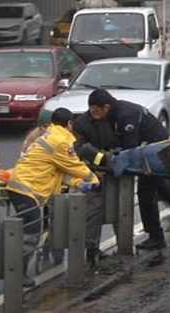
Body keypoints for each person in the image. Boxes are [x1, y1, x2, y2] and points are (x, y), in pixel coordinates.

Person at [87, 88, 170, 251]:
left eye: (96, 111)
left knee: (145, 193)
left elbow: (131, 146)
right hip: (149, 151)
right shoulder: (114, 114)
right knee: (159, 187)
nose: (94, 115)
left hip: (155, 152)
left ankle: (156, 236)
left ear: (105, 107)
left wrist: (117, 164)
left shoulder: (125, 115)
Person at [6, 108, 100, 287]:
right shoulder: (60, 141)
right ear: (69, 124)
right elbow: (74, 165)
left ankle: (18, 268)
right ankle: (17, 272)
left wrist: (77, 184)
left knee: (32, 227)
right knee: (32, 229)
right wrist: (94, 180)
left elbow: (59, 170)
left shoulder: (50, 137)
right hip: (25, 188)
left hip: (24, 187)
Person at [72, 110, 121, 266]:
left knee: (120, 209)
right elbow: (79, 150)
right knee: (93, 212)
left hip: (114, 171)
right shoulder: (82, 124)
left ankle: (123, 246)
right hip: (94, 174)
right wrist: (93, 169)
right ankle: (91, 250)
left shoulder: (114, 119)